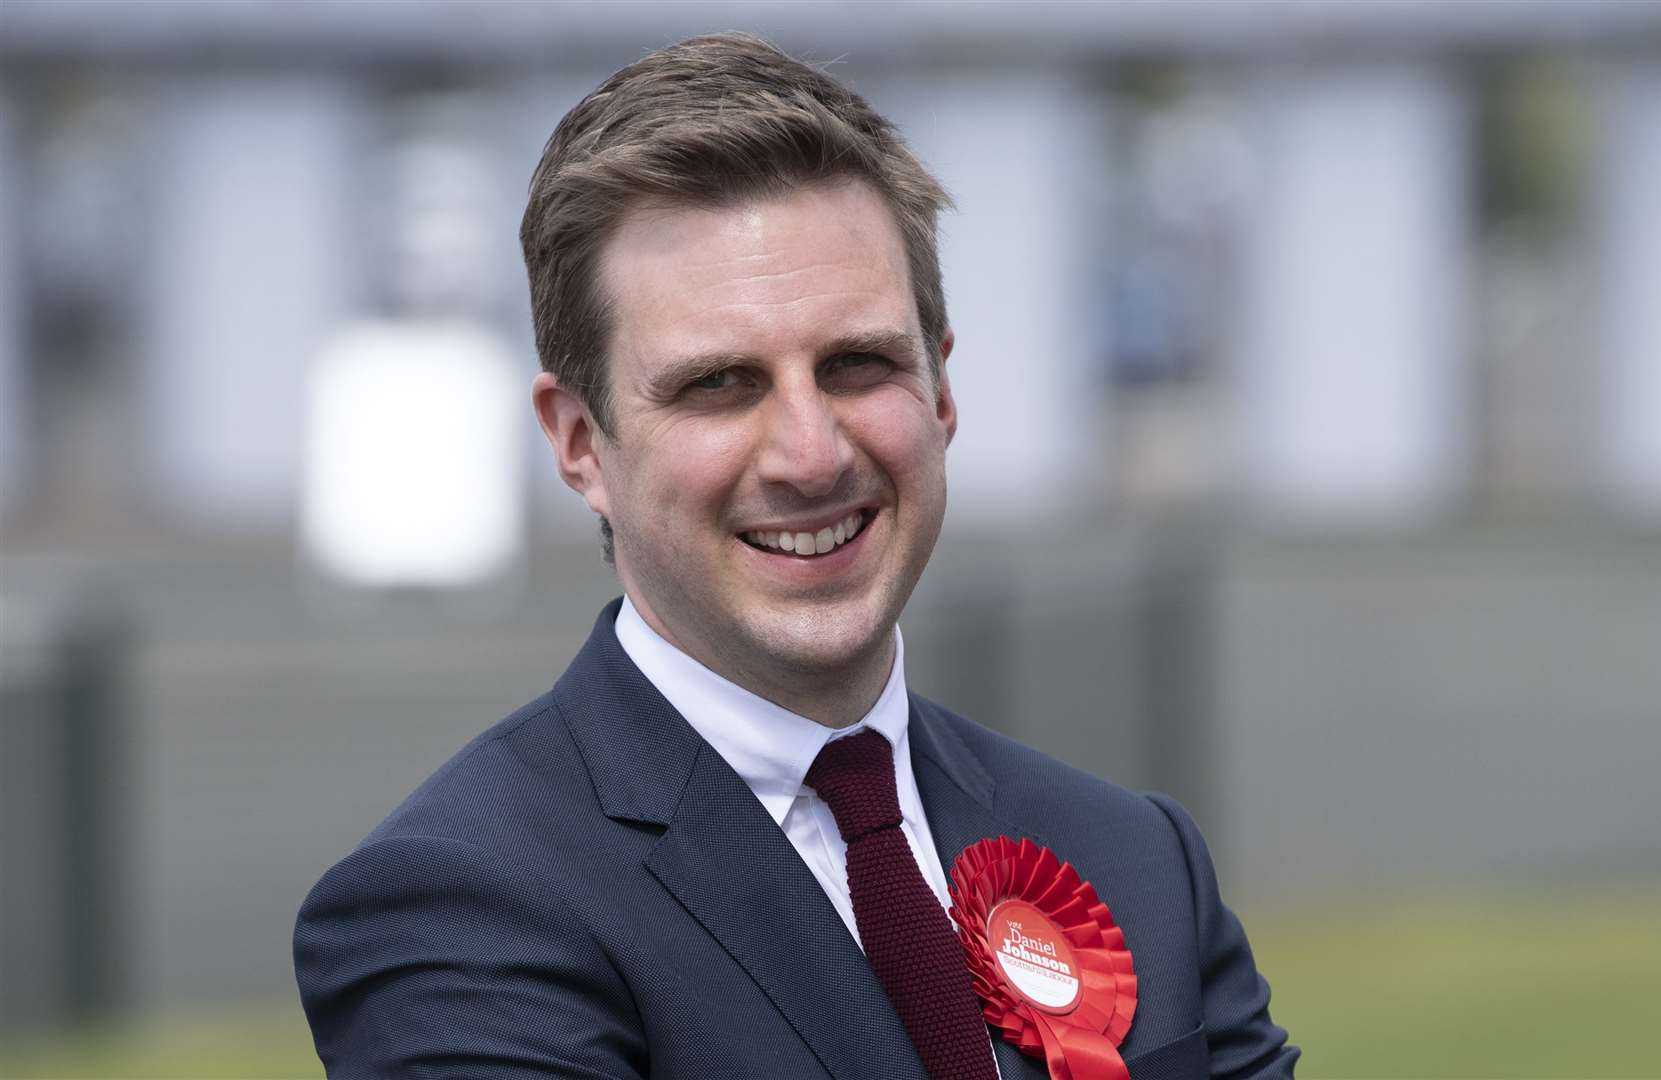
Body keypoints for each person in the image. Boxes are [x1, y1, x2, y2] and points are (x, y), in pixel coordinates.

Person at [294, 33, 1298, 1080]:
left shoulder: (1136, 862)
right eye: (720, 384)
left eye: (858, 365)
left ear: (941, 392)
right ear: (580, 442)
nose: (812, 455)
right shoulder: (458, 912)